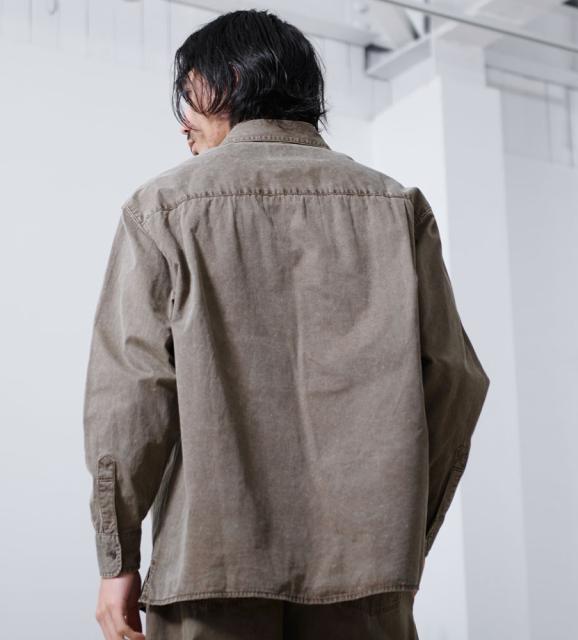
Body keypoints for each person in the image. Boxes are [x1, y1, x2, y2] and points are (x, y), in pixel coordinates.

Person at [82, 9, 490, 640]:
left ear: (229, 81)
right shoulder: (397, 208)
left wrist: (118, 558)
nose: (183, 122)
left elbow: (130, 396)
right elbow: (455, 381)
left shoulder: (161, 209)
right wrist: (399, 532)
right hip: (367, 583)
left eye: (188, 93)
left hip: (210, 573)